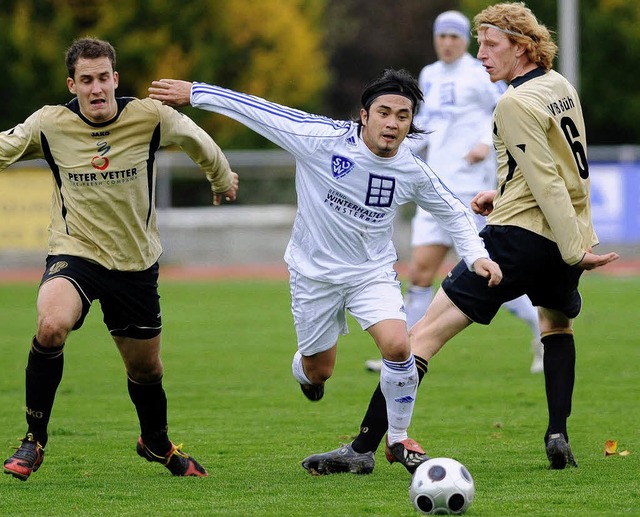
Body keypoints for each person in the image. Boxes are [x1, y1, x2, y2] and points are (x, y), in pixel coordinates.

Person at [300, 1, 620, 475]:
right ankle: (557, 434)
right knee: (556, 326)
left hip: (520, 238)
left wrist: (576, 248)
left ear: (523, 46)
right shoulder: (559, 87)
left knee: (419, 337)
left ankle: (363, 448)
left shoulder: (512, 102)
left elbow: (549, 180)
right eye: (480, 43)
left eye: (492, 44)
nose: (482, 53)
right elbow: (563, 167)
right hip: (561, 234)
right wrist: (509, 195)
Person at [148, 69, 503, 475]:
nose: (392, 123)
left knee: (399, 347)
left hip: (370, 272)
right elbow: (261, 111)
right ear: (364, 115)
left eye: (402, 116)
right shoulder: (320, 138)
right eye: (383, 112)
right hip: (312, 275)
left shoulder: (411, 169)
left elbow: (455, 212)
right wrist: (195, 92)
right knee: (320, 370)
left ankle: (399, 438)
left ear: (411, 123)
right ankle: (306, 373)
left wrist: (477, 256)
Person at [1, 37, 238, 481]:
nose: (96, 89)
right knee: (51, 325)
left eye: (103, 78)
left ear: (116, 79)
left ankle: (156, 442)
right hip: (76, 253)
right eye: (86, 80)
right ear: (72, 84)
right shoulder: (49, 124)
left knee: (146, 368)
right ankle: (34, 440)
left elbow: (197, 138)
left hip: (135, 264)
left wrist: (221, 179)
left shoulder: (149, 117)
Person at [364, 10, 544, 375]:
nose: (447, 43)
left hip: (469, 190)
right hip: (434, 186)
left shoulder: (480, 72)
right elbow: (423, 126)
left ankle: (542, 331)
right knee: (419, 272)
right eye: (441, 36)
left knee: (490, 274)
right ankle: (402, 352)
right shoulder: (429, 75)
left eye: (454, 37)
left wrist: (482, 142)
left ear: (466, 41)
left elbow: (503, 109)